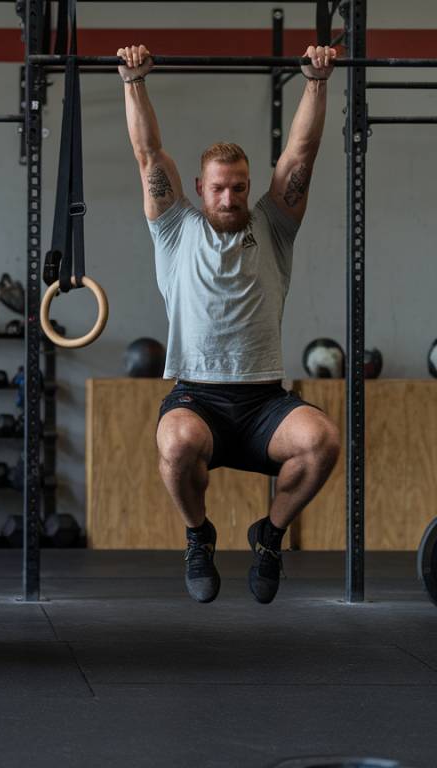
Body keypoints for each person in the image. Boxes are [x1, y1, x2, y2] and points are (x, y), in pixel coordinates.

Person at [117, 44, 341, 604]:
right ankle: (199, 535)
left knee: (322, 442)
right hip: (198, 398)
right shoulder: (175, 230)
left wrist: (315, 80)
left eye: (239, 186)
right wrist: (133, 80)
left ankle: (269, 536)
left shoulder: (274, 225)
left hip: (265, 401)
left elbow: (302, 153)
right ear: (198, 188)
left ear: (249, 186)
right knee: (174, 445)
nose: (229, 196)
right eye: (218, 187)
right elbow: (148, 154)